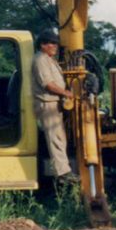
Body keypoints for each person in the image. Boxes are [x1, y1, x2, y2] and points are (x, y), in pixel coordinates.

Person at [31, 29, 76, 184]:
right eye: (52, 43)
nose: (55, 46)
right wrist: (66, 93)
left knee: (60, 138)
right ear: (43, 45)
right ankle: (63, 173)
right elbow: (48, 84)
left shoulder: (49, 60)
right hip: (47, 104)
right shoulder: (40, 60)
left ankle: (64, 170)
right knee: (55, 137)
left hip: (54, 103)